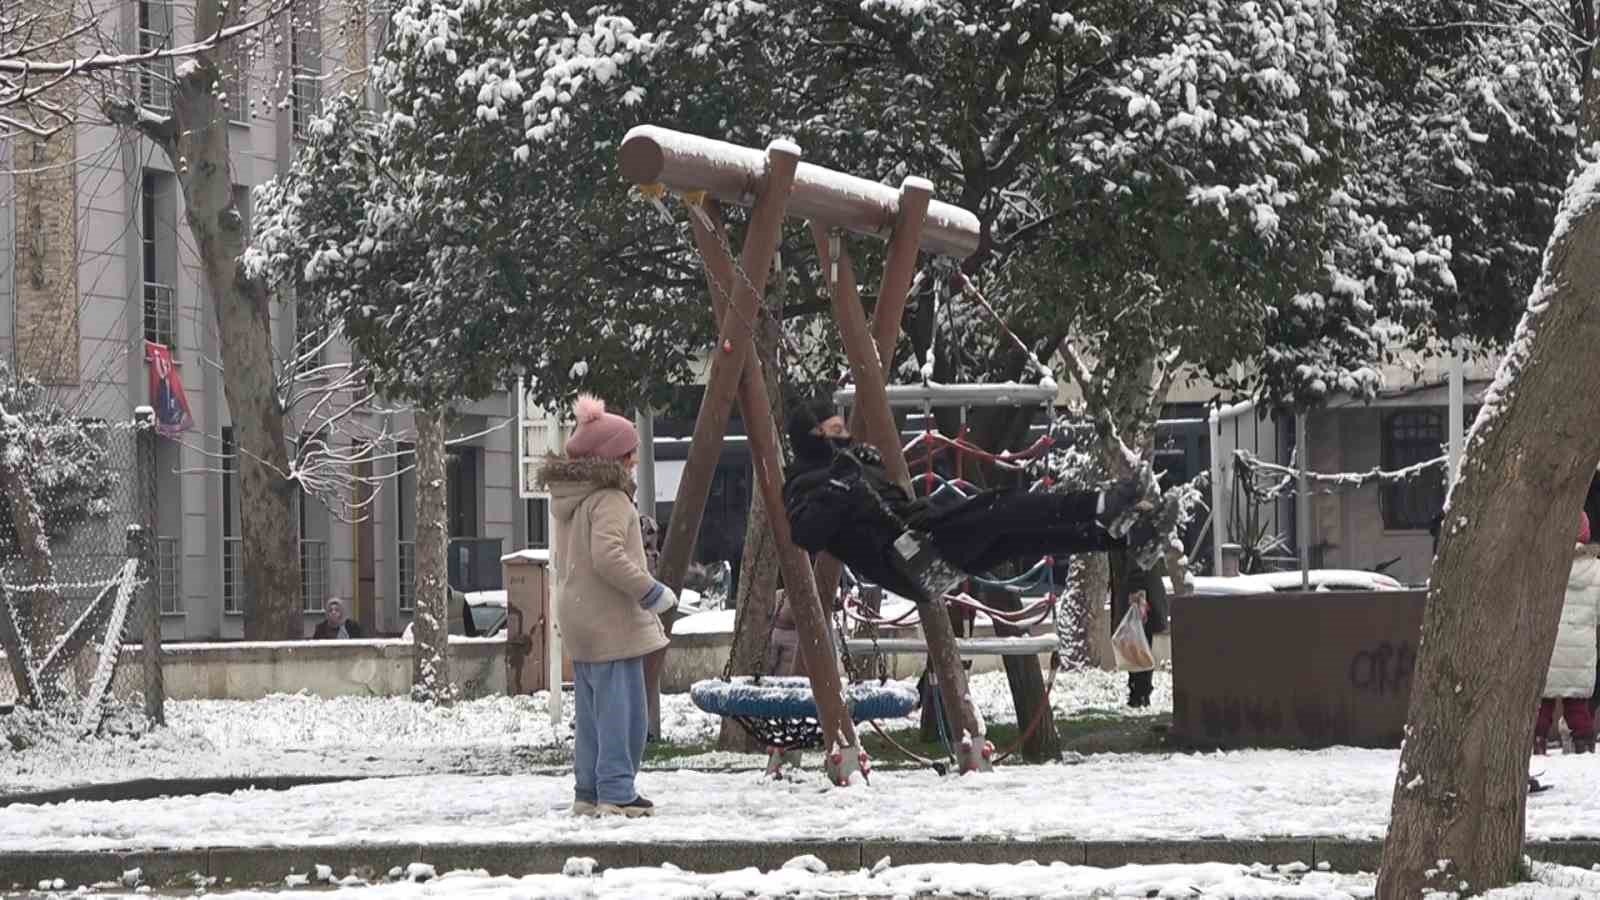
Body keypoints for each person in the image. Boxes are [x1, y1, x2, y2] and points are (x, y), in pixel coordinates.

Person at [782, 402, 1156, 604]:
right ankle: (1098, 503)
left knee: (1019, 536)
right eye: (833, 432)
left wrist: (865, 469)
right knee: (1003, 508)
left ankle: (1120, 537)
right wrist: (842, 484)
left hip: (927, 550)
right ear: (811, 438)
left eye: (842, 429)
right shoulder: (805, 484)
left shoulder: (849, 465)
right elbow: (806, 535)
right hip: (909, 557)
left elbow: (887, 502)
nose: (843, 437)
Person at [536, 395, 677, 818]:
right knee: (624, 711)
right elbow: (610, 557)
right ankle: (617, 789)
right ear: (613, 457)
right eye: (630, 452)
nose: (634, 460)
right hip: (611, 620)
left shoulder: (571, 499)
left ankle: (588, 790)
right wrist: (652, 592)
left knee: (592, 713)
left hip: (578, 616)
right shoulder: (611, 500)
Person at [1535, 511, 1599, 755]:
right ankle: (1583, 746)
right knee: (1577, 706)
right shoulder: (1597, 571)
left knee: (1542, 704)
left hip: (1548, 645)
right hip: (1581, 649)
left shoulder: (1544, 566)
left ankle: (1537, 745)